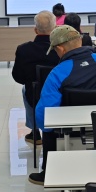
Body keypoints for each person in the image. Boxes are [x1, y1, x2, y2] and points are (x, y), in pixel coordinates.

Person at [29, 25, 96, 185]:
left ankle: (48, 172)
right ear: (80, 41)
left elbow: (44, 115)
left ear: (60, 49)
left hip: (70, 130)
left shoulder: (57, 73)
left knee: (47, 126)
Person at [12, 11, 61, 144]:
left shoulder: (23, 49)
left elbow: (18, 77)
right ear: (55, 29)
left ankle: (35, 131)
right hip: (59, 94)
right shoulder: (61, 49)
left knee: (26, 89)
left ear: (35, 30)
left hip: (34, 94)